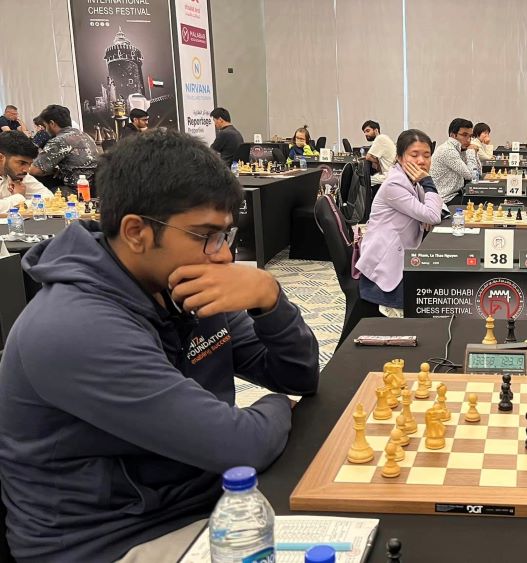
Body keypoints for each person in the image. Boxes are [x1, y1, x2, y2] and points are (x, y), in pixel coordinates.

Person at [0, 128, 320, 563]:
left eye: (225, 235)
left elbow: (297, 376)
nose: (224, 255)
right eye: (206, 235)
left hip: (200, 498)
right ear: (136, 232)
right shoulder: (76, 328)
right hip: (112, 542)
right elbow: (240, 446)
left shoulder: (182, 287)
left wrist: (270, 300)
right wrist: (278, 405)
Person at [356, 129, 442, 317]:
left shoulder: (411, 180)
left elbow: (434, 211)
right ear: (400, 158)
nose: (422, 161)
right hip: (387, 264)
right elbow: (432, 215)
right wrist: (428, 182)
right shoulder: (395, 183)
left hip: (404, 253)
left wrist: (426, 212)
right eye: (414, 155)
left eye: (427, 155)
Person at [28, 104, 98, 193]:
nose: (45, 130)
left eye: (45, 126)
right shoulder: (85, 135)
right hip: (92, 186)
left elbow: (35, 170)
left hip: (74, 190)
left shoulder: (59, 141)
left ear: (52, 123)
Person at [429, 118, 479, 204]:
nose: (468, 140)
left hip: (456, 194)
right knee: (481, 202)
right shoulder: (448, 150)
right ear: (453, 135)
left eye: (470, 136)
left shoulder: (460, 149)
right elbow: (472, 176)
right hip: (445, 199)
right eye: (464, 135)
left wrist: (474, 153)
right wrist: (471, 152)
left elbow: (478, 174)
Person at [0, 130, 52, 211]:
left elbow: (49, 198)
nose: (27, 170)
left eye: (30, 164)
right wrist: (18, 197)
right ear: (1, 158)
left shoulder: (19, 175)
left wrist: (23, 205)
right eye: (22, 163)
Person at [361, 120, 396, 186]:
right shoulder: (384, 138)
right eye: (364, 132)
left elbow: (368, 157)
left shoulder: (379, 138)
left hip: (389, 175)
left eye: (368, 131)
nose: (365, 134)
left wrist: (376, 161)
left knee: (362, 181)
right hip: (390, 173)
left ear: (376, 130)